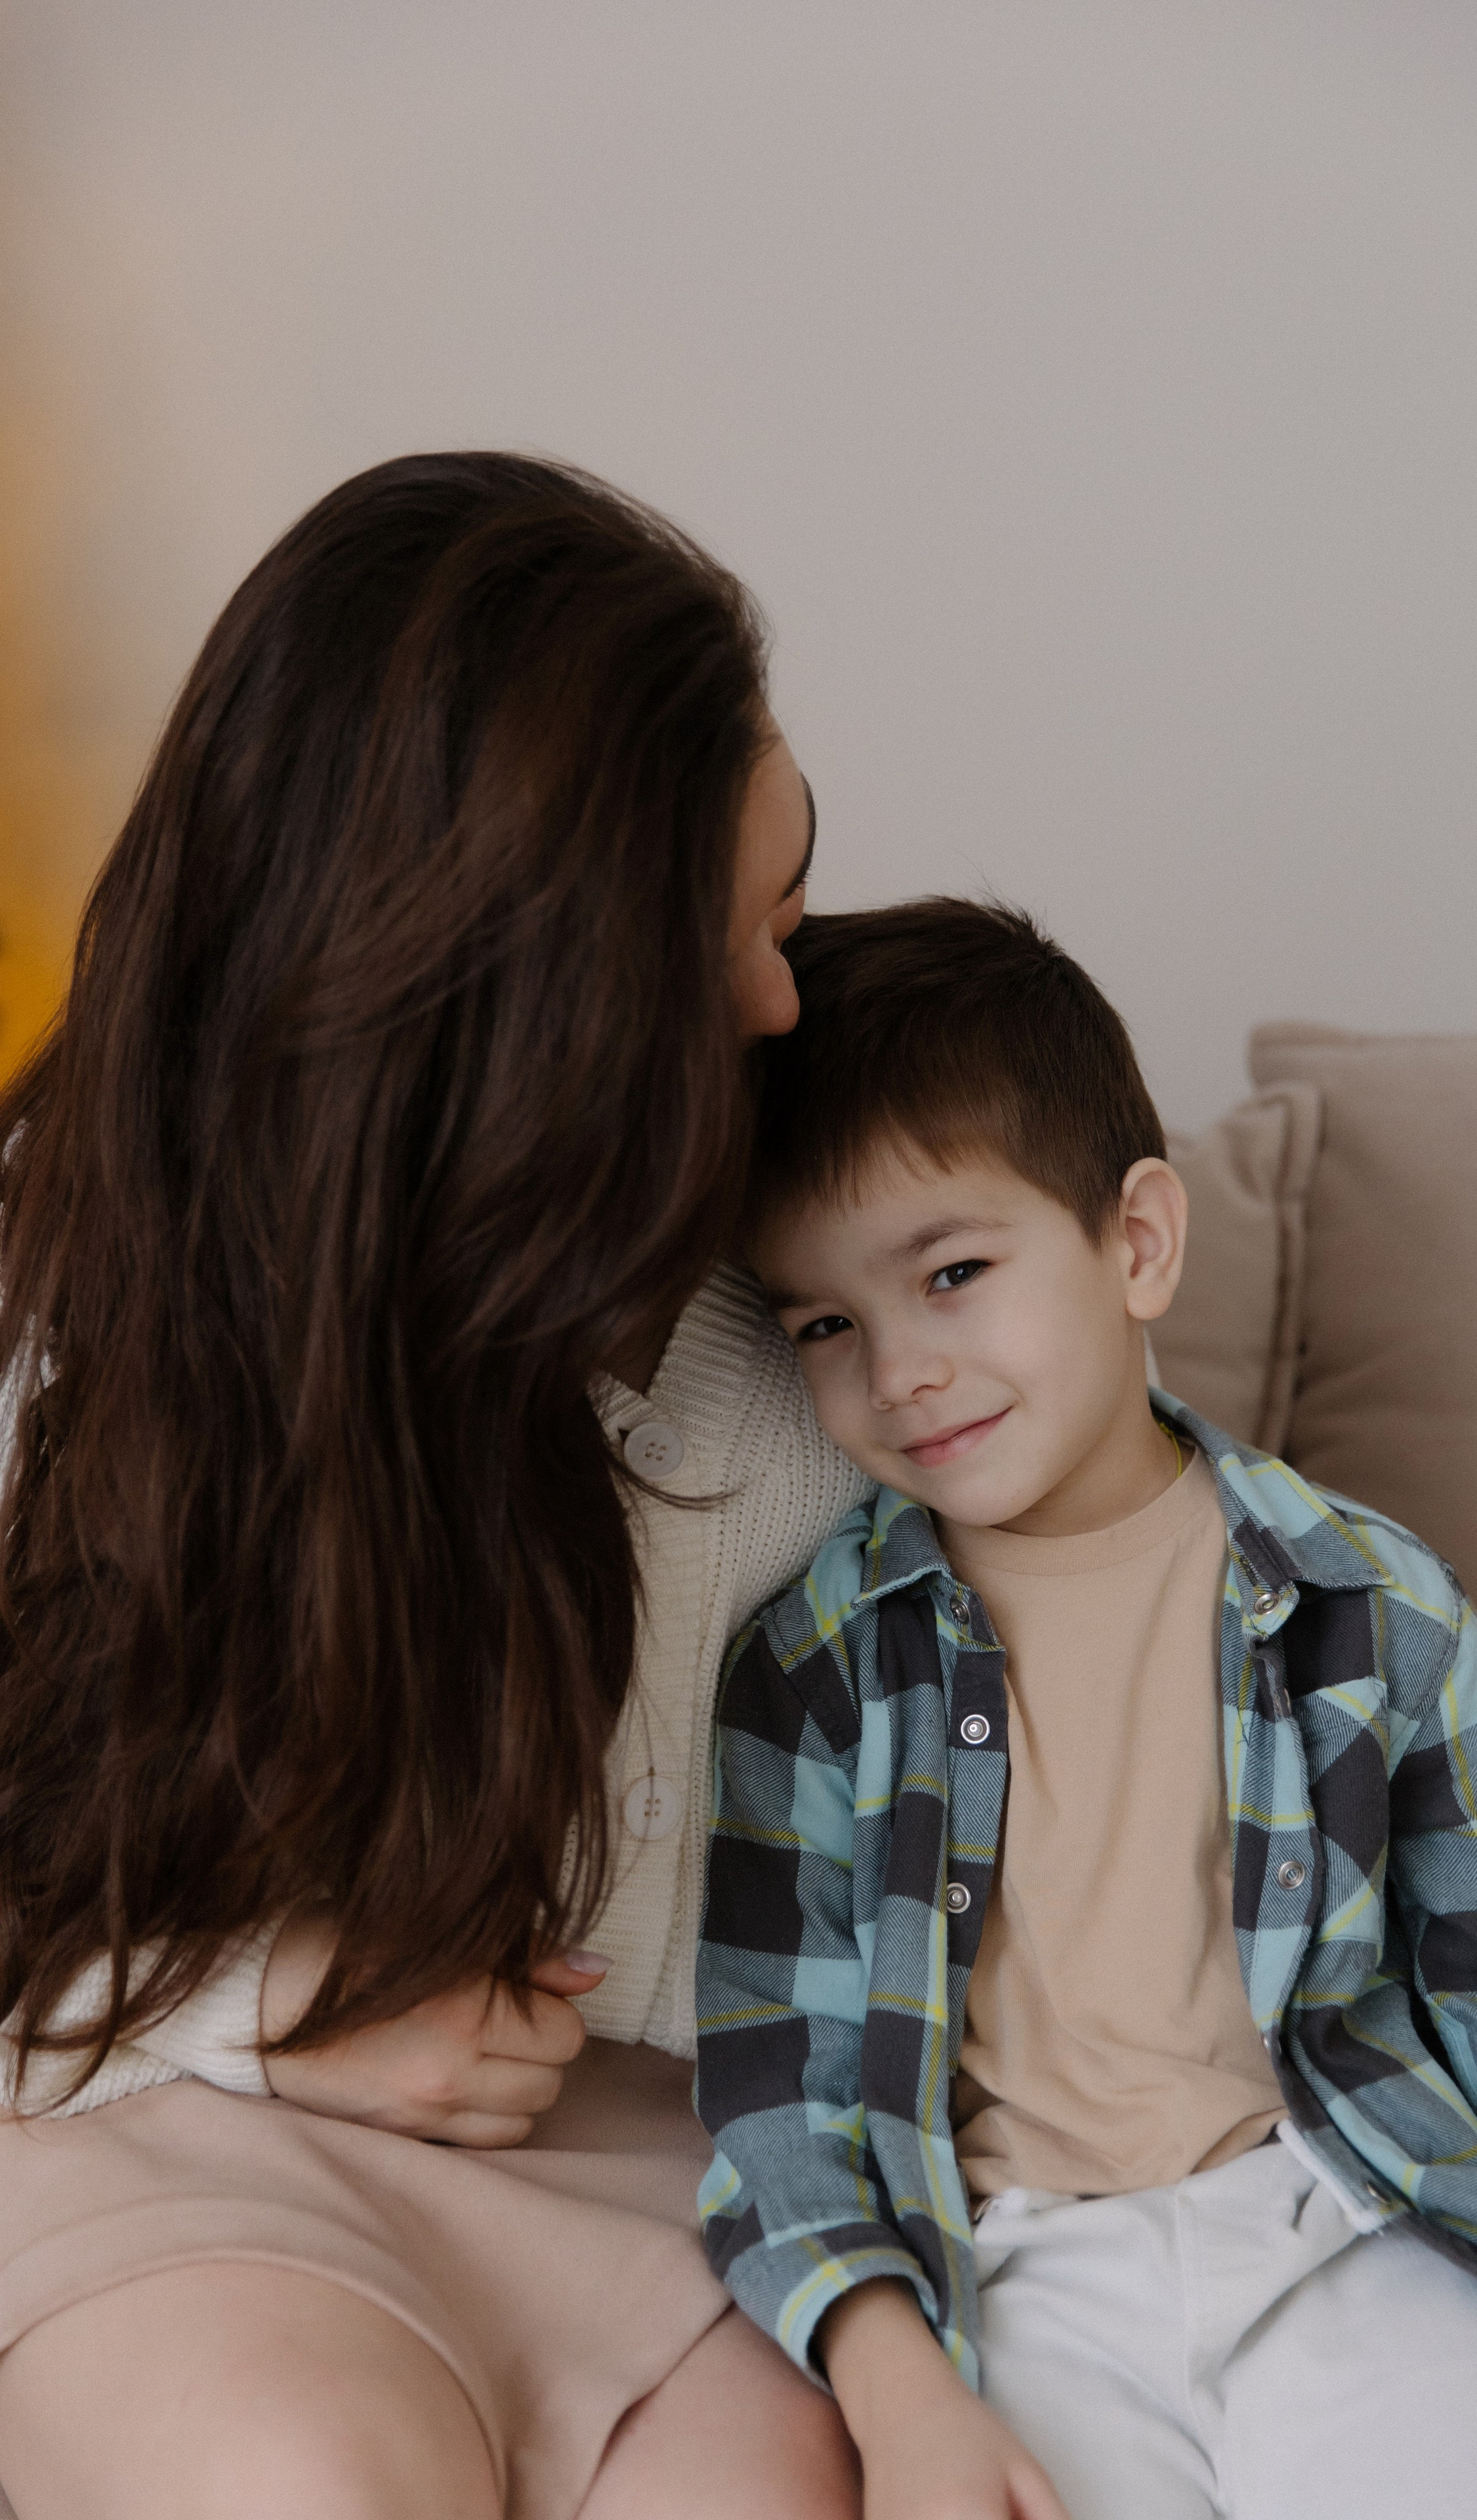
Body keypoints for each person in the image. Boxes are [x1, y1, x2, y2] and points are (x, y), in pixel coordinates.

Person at [0, 452, 870, 2519]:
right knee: (309, 2482)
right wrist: (253, 2008)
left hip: (671, 2173)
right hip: (158, 2109)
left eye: (797, 905)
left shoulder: (818, 1283)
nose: (780, 999)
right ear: (493, 998)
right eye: (718, 943)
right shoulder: (63, 1303)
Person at [695, 897, 1477, 2520]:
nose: (899, 1371)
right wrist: (898, 2385)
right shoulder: (810, 1665)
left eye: (952, 1272)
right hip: (1013, 2274)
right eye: (824, 1323)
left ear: (1137, 1241)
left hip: (1340, 2222)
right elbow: (771, 2090)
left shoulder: (1371, 1603)